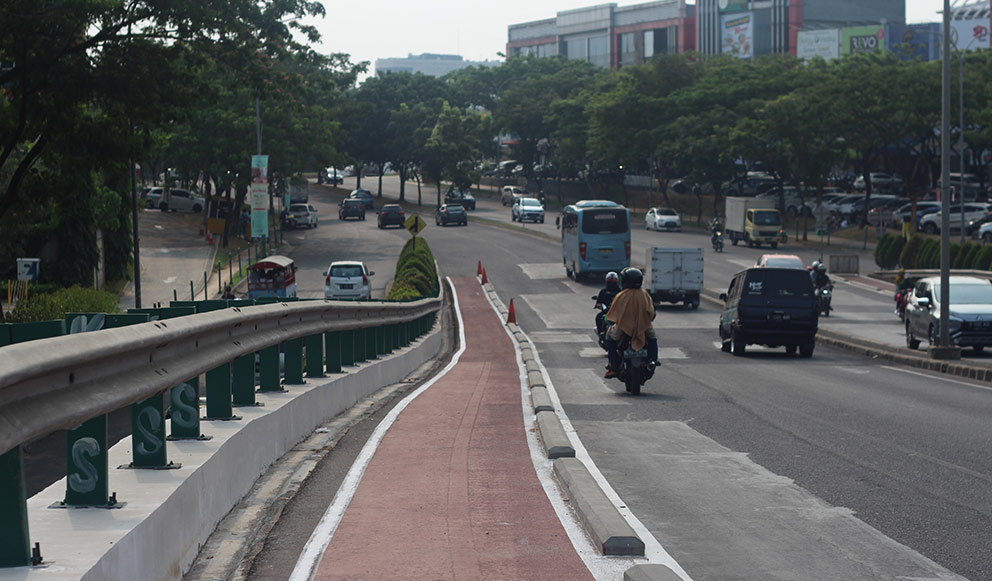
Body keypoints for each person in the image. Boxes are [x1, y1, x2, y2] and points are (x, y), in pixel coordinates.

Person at [604, 267, 658, 379]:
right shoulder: (645, 294)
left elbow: (612, 314)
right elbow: (652, 313)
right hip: (643, 326)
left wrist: (608, 319)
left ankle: (613, 365)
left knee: (609, 337)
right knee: (652, 337)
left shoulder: (621, 295)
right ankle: (653, 360)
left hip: (623, 327)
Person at [594, 271, 621, 336]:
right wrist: (603, 307)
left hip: (618, 314)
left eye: (613, 283)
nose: (611, 285)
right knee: (598, 317)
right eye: (610, 282)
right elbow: (599, 303)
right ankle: (600, 333)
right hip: (607, 312)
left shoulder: (620, 292)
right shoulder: (603, 291)